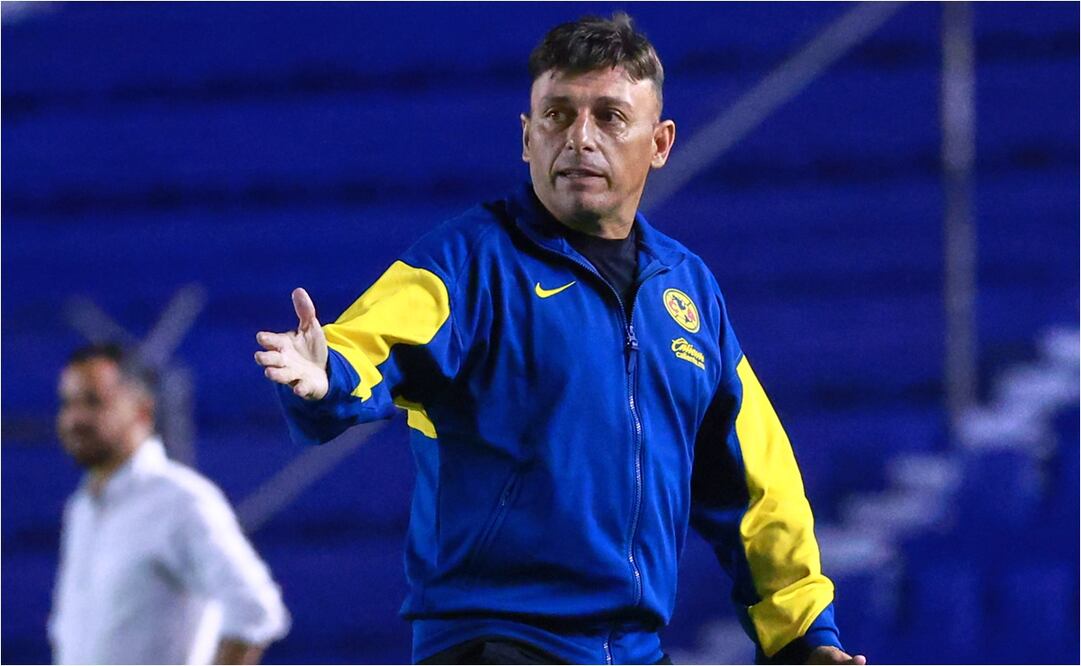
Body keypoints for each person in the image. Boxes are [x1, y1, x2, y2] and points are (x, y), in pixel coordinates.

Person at [256, 13, 866, 666]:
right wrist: (329, 379)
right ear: (526, 137)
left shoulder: (687, 292)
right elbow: (370, 344)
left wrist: (802, 637)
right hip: (495, 643)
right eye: (556, 115)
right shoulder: (468, 262)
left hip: (632, 651)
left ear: (658, 143)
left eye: (608, 117)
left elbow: (755, 481)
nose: (579, 138)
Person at [51, 343, 290, 664]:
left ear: (142, 410)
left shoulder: (180, 501)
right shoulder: (82, 507)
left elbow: (255, 611)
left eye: (94, 401)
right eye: (68, 403)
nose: (75, 419)